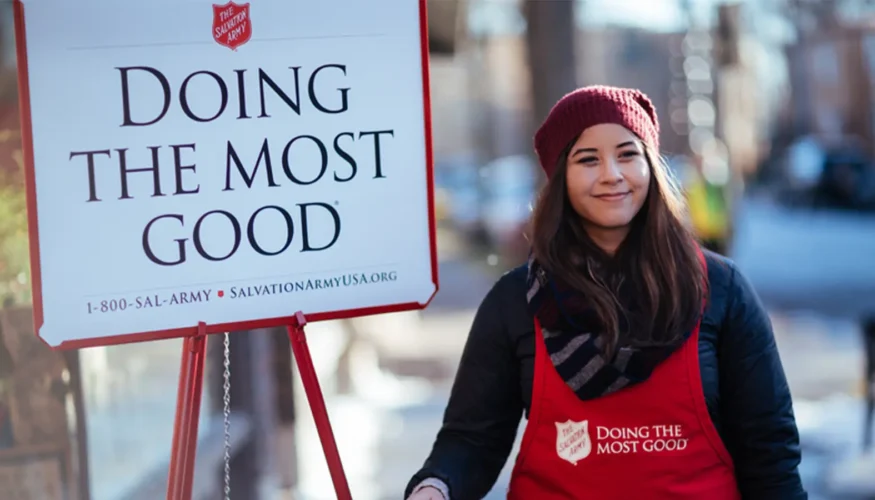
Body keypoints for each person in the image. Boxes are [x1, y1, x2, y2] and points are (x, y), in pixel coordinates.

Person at [405, 85, 806, 499]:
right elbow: (472, 440)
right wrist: (436, 486)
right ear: (560, 178)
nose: (611, 173)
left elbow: (769, 448)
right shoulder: (516, 301)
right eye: (588, 159)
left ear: (650, 165)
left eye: (627, 154)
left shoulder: (720, 289)